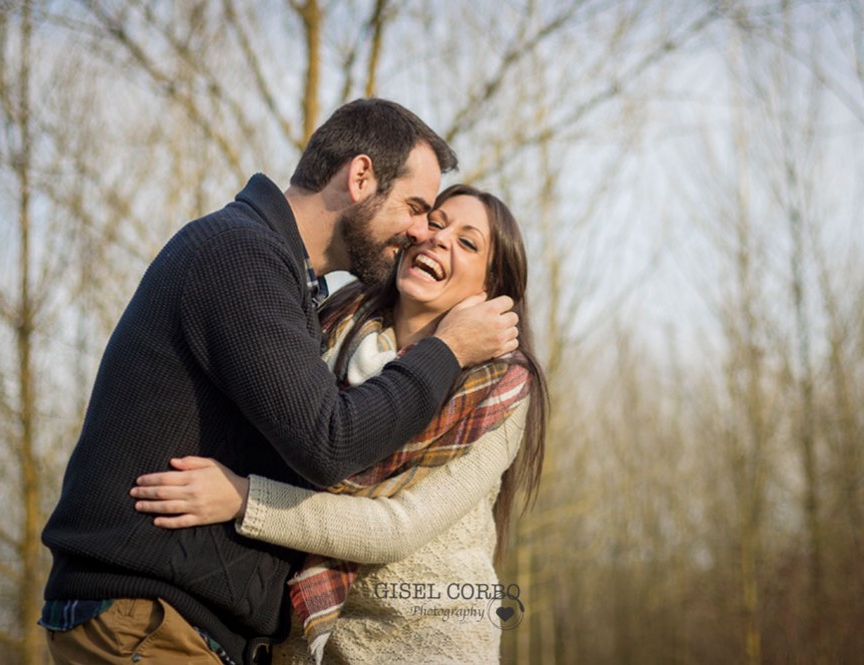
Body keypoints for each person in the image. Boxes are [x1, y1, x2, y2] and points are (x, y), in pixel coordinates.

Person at [39, 100, 521, 665]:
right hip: (145, 620)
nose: (421, 231)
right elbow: (329, 441)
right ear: (360, 177)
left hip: (168, 623)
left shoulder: (284, 281)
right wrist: (446, 350)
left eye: (461, 237)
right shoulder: (242, 256)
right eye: (420, 209)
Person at [131, 184, 548, 664]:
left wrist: (246, 499)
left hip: (430, 643)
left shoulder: (501, 389)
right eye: (435, 223)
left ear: (491, 289)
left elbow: (399, 527)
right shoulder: (328, 323)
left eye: (467, 241)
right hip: (310, 644)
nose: (438, 238)